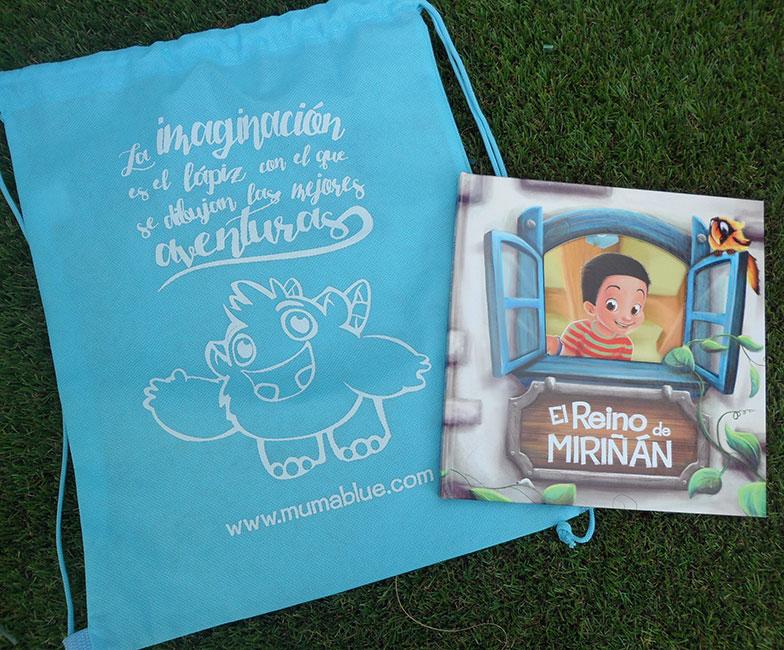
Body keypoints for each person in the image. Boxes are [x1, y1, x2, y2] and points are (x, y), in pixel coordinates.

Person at [551, 253, 650, 361]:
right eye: (611, 305)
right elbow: (565, 361)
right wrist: (556, 346)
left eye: (635, 309)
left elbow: (619, 370)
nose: (627, 317)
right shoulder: (578, 330)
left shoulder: (625, 345)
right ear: (591, 308)